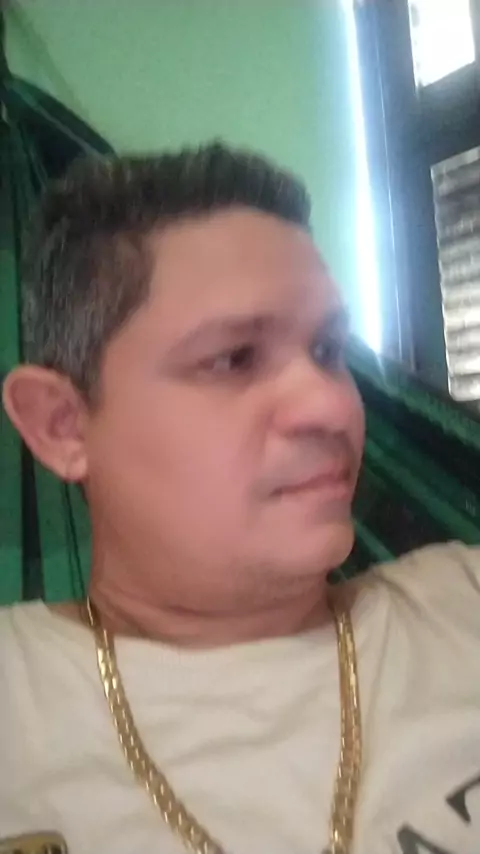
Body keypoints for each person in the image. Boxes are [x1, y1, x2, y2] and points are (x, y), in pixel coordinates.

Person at [1, 142, 479, 854]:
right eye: (233, 359)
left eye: (328, 351)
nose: (331, 407)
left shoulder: (463, 602)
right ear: (63, 426)